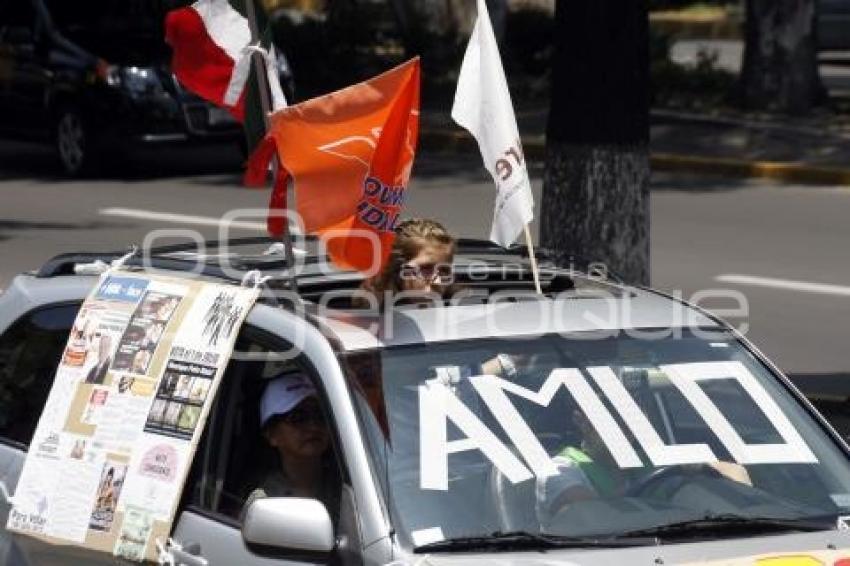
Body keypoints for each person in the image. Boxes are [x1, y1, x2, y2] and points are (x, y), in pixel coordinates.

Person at [241, 372, 339, 520]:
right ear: (271, 434)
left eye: (320, 415)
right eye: (298, 418)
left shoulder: (349, 487)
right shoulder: (263, 503)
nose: (313, 426)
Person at [356, 218, 456, 308]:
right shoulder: (362, 316)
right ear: (397, 269)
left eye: (444, 270)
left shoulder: (462, 307)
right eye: (426, 268)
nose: (437, 281)